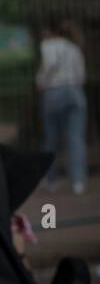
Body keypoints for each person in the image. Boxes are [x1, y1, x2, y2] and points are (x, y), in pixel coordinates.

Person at [38, 18, 87, 194]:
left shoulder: (48, 45)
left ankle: (51, 179)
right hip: (74, 91)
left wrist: (41, 82)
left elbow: (49, 65)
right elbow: (81, 76)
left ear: (51, 31)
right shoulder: (74, 48)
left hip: (53, 91)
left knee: (52, 137)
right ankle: (78, 181)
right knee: (75, 137)